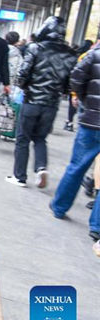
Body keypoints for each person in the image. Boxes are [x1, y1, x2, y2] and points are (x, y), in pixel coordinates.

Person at [5, 16, 76, 188]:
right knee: (40, 138)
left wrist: (23, 87)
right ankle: (41, 168)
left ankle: (20, 176)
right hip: (52, 104)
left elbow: (23, 74)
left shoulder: (36, 48)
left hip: (32, 101)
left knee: (23, 138)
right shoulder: (71, 54)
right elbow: (69, 85)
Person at [51, 41, 100, 243]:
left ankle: (59, 207)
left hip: (91, 123)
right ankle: (97, 226)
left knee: (77, 166)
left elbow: (76, 77)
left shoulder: (94, 54)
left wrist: (86, 101)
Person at [64, 39, 93, 131]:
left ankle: (69, 122)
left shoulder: (82, 56)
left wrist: (74, 92)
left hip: (80, 89)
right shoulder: (89, 55)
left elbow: (76, 75)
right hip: (88, 91)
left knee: (73, 107)